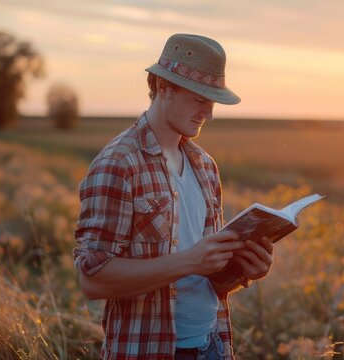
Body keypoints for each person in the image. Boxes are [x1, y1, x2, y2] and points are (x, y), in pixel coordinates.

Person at [73, 33, 274, 360]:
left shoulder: (205, 167)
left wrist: (246, 271)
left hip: (212, 345)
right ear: (164, 88)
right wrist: (190, 261)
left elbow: (209, 279)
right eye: (200, 99)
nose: (208, 113)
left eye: (213, 102)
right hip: (150, 351)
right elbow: (92, 281)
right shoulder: (118, 164)